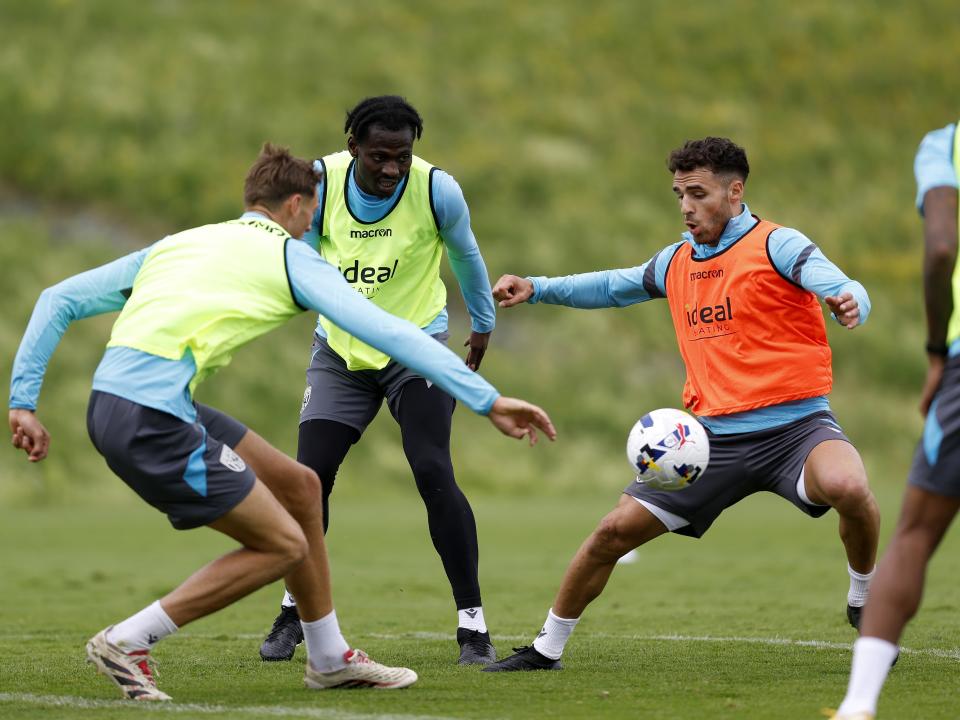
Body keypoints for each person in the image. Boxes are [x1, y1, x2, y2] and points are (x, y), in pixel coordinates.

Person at [7, 143, 556, 701]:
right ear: (297, 204)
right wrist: (488, 400)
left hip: (119, 401)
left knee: (302, 486)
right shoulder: (292, 259)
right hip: (152, 420)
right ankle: (128, 640)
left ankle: (328, 657)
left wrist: (22, 402)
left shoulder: (181, 243)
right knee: (284, 546)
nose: (314, 222)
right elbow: (389, 331)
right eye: (313, 211)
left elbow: (59, 299)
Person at [482, 136, 880, 673]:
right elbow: (612, 286)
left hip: (798, 429)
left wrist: (850, 299)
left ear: (735, 192)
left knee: (851, 488)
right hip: (709, 440)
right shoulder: (676, 261)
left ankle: (863, 597)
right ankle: (545, 649)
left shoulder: (777, 245)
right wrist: (538, 286)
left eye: (699, 193)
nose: (687, 207)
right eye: (679, 194)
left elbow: (835, 281)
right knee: (611, 534)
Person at [258, 96, 501, 666]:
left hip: (415, 350)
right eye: (379, 157)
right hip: (339, 353)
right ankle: (294, 612)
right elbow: (294, 254)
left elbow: (465, 254)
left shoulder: (438, 190)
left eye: (402, 156)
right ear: (353, 149)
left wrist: (483, 323)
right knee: (307, 481)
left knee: (433, 468)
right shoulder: (318, 183)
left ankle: (473, 628)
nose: (392, 168)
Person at [830, 123, 960, 720]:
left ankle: (859, 706)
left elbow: (940, 248)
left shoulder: (947, 144)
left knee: (913, 536)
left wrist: (937, 350)